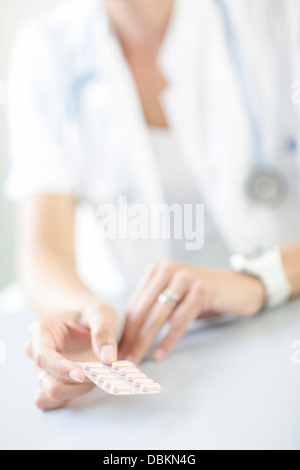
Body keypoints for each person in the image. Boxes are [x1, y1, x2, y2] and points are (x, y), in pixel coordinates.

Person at [5, 0, 300, 410]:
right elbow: (43, 250)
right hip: (162, 357)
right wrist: (80, 315)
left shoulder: (281, 16)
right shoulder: (45, 48)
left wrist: (258, 279)